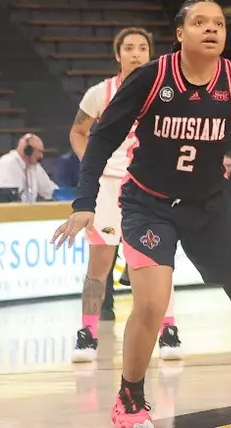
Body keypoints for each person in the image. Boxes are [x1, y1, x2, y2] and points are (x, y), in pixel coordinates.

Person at [53, 0, 231, 427]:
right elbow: (98, 137)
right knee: (139, 294)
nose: (211, 29)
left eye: (219, 23)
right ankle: (126, 388)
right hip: (144, 201)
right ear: (179, 33)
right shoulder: (145, 80)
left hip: (210, 204)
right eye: (200, 22)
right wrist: (84, 202)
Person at [69, 27, 181, 365]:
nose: (136, 53)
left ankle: (169, 329)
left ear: (150, 54)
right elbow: (77, 131)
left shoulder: (165, 91)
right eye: (129, 48)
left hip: (148, 186)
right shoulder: (100, 93)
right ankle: (87, 332)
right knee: (99, 265)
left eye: (142, 47)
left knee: (157, 263)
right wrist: (92, 166)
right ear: (118, 55)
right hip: (107, 187)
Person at [0, 133, 56, 203]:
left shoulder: (35, 167)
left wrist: (63, 197)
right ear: (28, 150)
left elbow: (50, 190)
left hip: (25, 211)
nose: (41, 156)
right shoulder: (8, 163)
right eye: (39, 151)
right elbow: (8, 200)